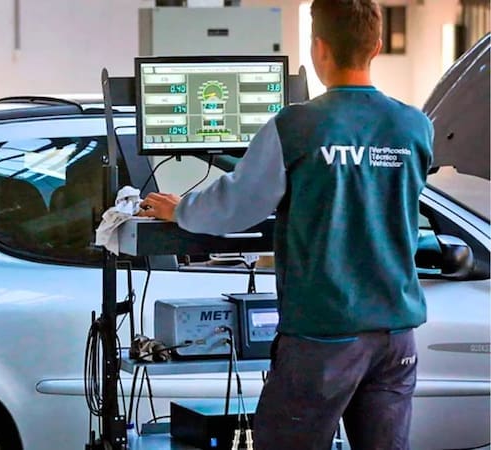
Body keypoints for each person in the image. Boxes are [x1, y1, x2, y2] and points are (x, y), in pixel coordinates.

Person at [138, 0, 433, 448]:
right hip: (396, 336)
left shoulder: (297, 125)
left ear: (318, 48)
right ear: (375, 46)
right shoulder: (414, 126)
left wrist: (179, 209)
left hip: (323, 334)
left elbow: (237, 205)